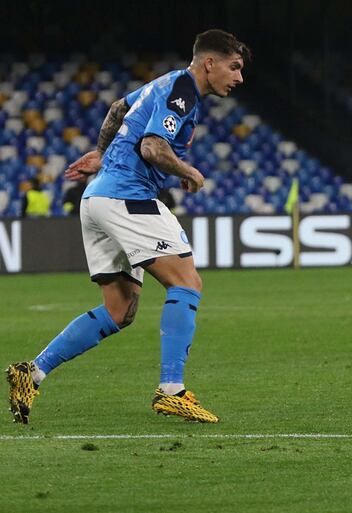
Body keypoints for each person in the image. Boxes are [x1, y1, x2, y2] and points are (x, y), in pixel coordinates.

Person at [6, 29, 250, 424]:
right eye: (234, 67)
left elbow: (118, 108)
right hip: (128, 197)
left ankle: (30, 373)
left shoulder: (164, 82)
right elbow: (152, 146)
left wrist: (102, 153)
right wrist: (188, 170)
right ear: (210, 62)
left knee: (119, 310)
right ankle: (172, 390)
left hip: (97, 199)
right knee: (186, 283)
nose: (239, 78)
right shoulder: (183, 89)